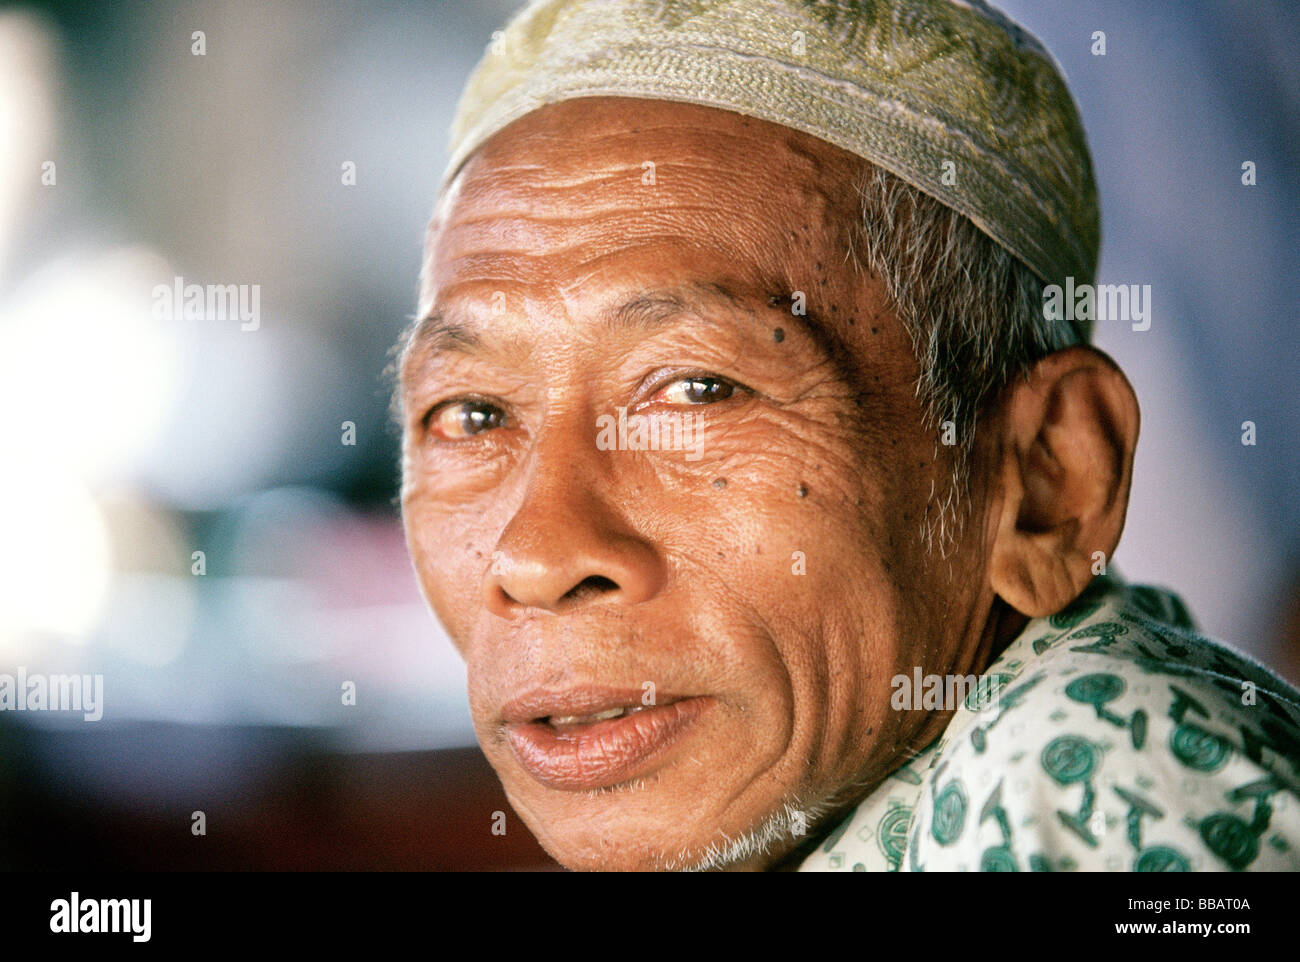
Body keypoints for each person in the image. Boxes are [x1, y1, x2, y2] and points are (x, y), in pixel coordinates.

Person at [394, 0, 1300, 871]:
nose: (539, 556)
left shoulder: (1091, 788)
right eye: (472, 414)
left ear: (1047, 478)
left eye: (699, 390)